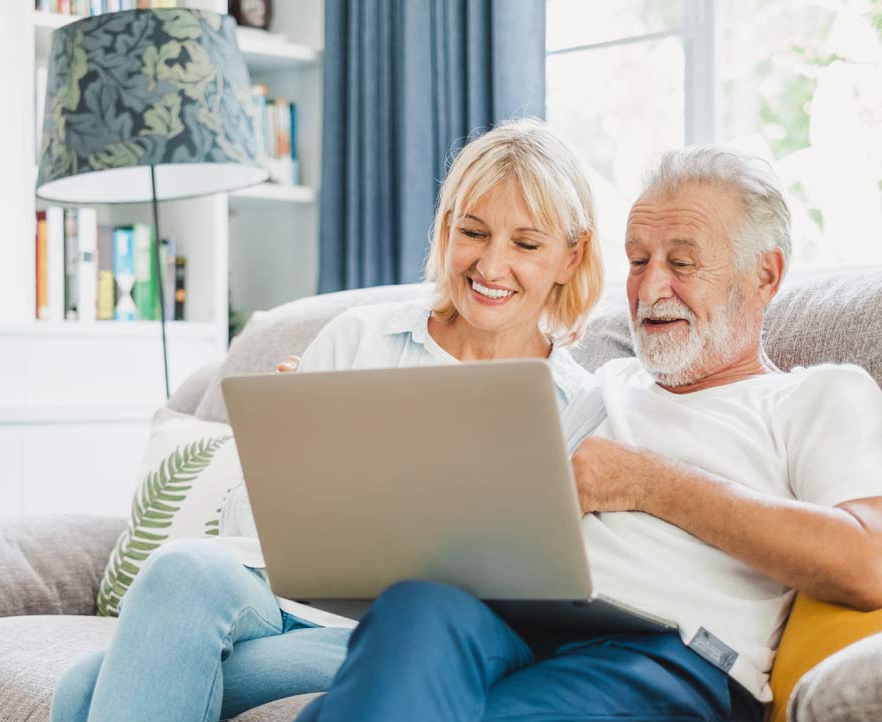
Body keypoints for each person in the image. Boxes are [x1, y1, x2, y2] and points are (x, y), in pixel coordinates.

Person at [293, 147, 882, 722]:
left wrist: (648, 482)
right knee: (417, 604)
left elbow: (868, 562)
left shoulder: (815, 396)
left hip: (664, 654)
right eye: (636, 261)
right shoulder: (594, 385)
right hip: (514, 619)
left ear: (765, 276)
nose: (650, 289)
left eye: (681, 263)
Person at [50, 117, 605, 722]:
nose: (492, 266)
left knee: (85, 690)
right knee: (181, 566)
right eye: (473, 232)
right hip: (283, 595)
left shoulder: (577, 406)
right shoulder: (361, 337)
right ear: (447, 230)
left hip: (411, 637)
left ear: (570, 257)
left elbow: (564, 592)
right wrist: (284, 457)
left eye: (526, 245)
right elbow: (245, 533)